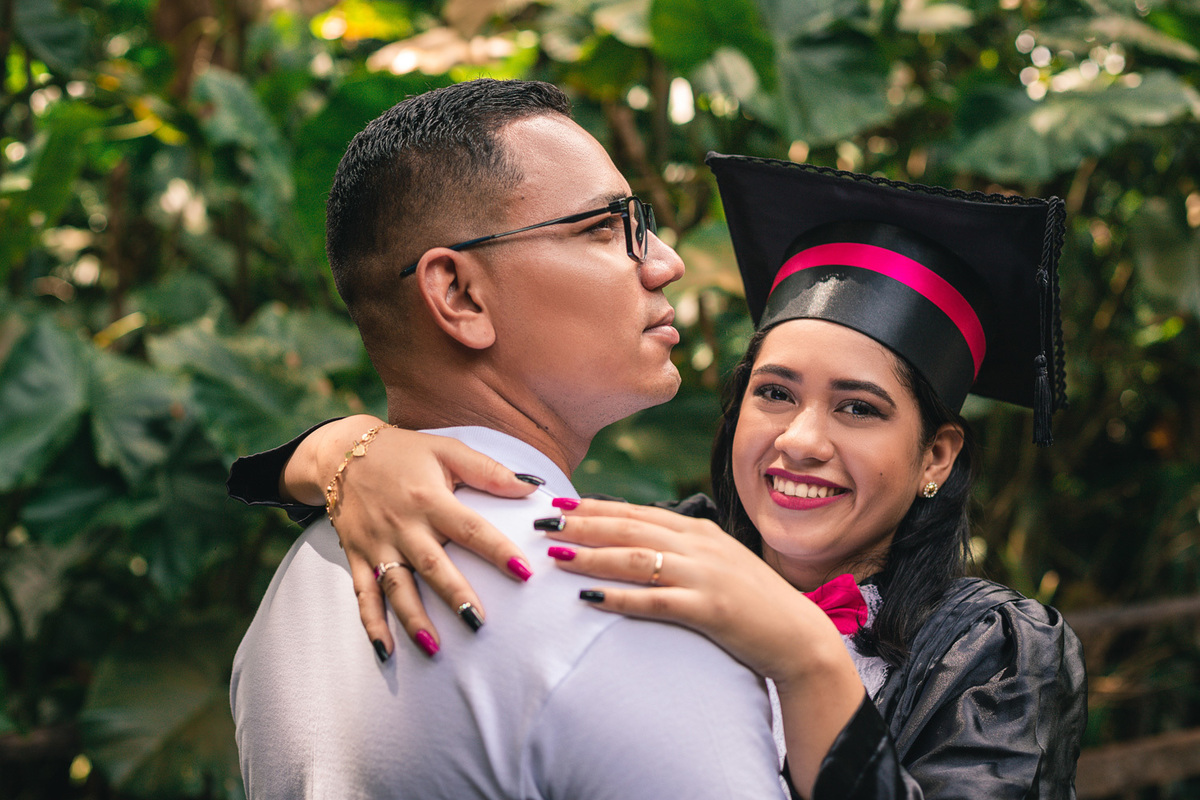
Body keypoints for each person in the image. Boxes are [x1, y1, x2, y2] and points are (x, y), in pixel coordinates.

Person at [230, 154, 1088, 798]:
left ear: (936, 455)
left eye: (859, 409)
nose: (800, 440)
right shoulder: (663, 548)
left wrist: (805, 660)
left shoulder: (996, 655)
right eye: (774, 393)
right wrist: (349, 450)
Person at [229, 78, 791, 799]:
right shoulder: (622, 611)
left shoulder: (289, 600)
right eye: (603, 227)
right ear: (460, 295)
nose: (664, 262)